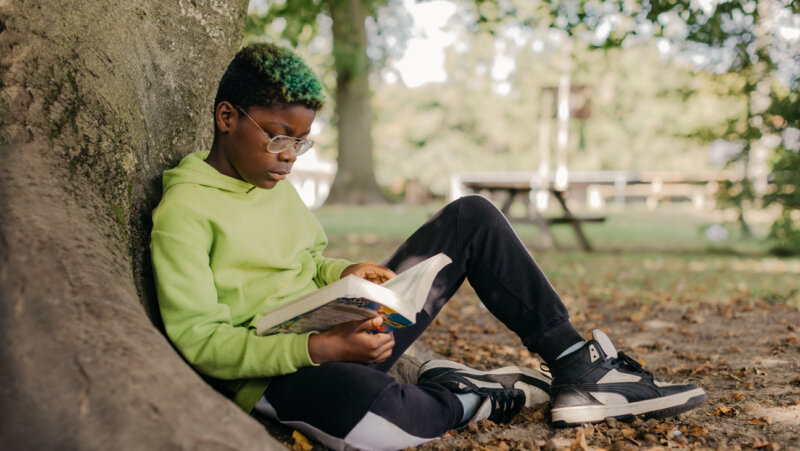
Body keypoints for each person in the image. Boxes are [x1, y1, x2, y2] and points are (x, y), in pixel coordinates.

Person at [150, 43, 706, 450]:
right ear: (227, 118)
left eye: (301, 142)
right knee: (381, 426)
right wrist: (318, 350)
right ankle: (477, 395)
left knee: (473, 215)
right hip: (289, 369)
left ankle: (573, 364)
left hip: (346, 333)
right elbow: (199, 341)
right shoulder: (186, 212)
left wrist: (351, 272)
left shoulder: (273, 185)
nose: (290, 156)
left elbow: (308, 263)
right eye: (278, 137)